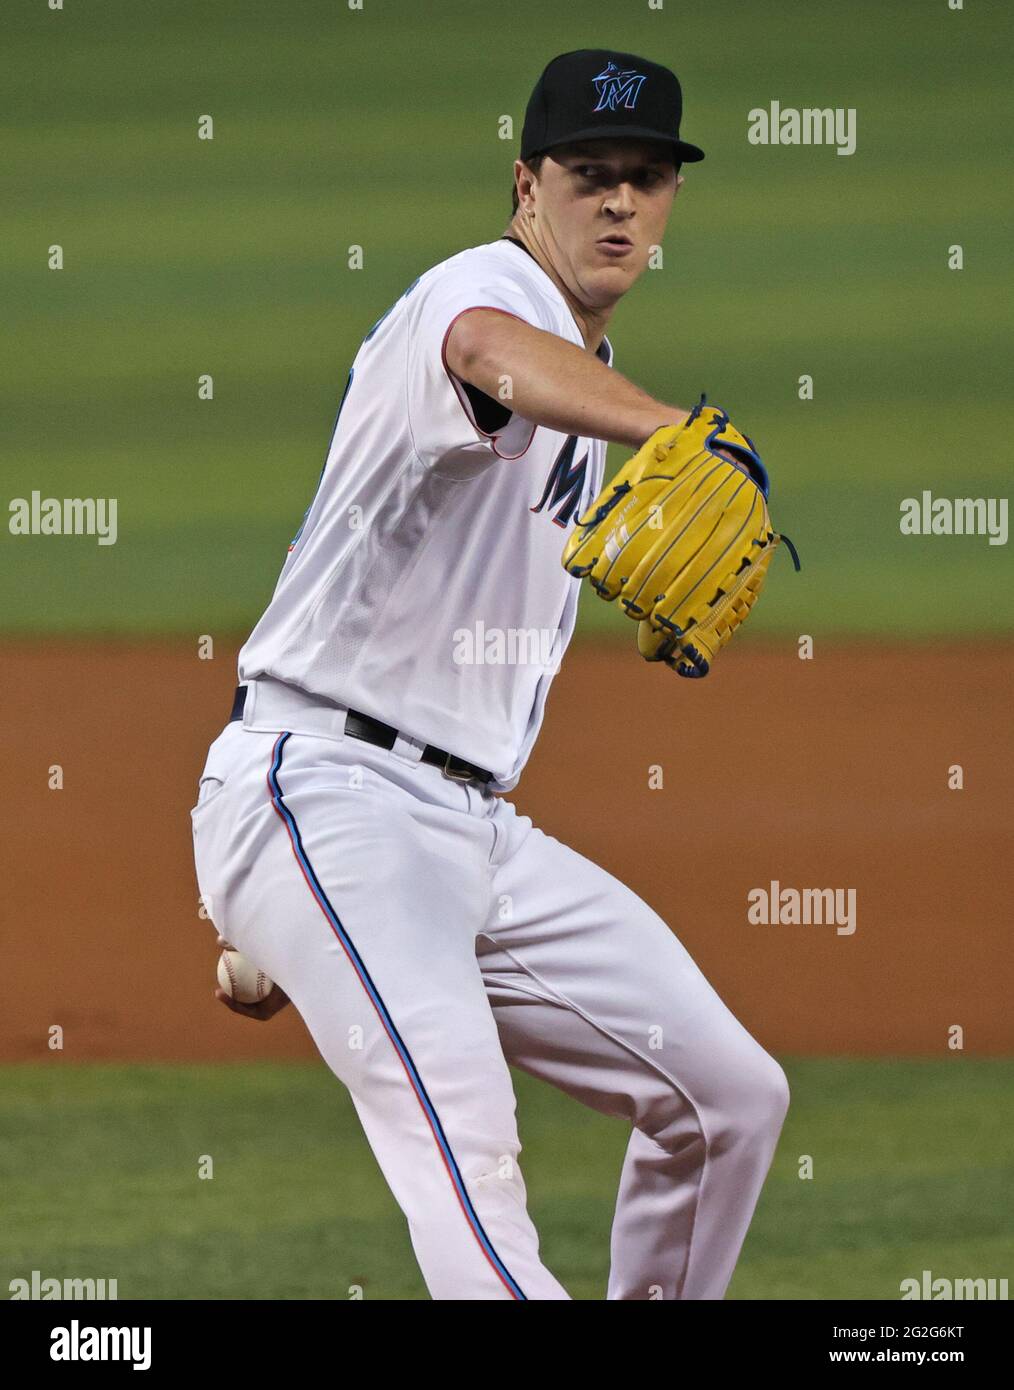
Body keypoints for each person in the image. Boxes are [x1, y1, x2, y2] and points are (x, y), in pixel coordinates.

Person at [191, 48, 789, 1301]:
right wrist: (670, 428)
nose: (620, 202)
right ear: (527, 184)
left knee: (729, 1099)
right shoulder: (485, 290)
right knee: (472, 1171)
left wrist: (282, 934)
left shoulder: (579, 355)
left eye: (646, 178)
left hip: (463, 833)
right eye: (590, 175)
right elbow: (486, 348)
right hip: (331, 792)